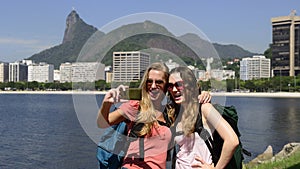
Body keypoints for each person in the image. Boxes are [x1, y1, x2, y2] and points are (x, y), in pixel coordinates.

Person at [97, 62, 212, 169]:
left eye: (159, 82)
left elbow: (189, 108)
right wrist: (107, 103)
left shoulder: (169, 112)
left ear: (167, 86)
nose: (153, 86)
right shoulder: (136, 106)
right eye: (149, 81)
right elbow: (102, 123)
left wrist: (202, 94)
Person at [167, 66, 239, 169]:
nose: (174, 89)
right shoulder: (174, 113)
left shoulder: (204, 108)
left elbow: (232, 141)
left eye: (179, 85)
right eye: (170, 86)